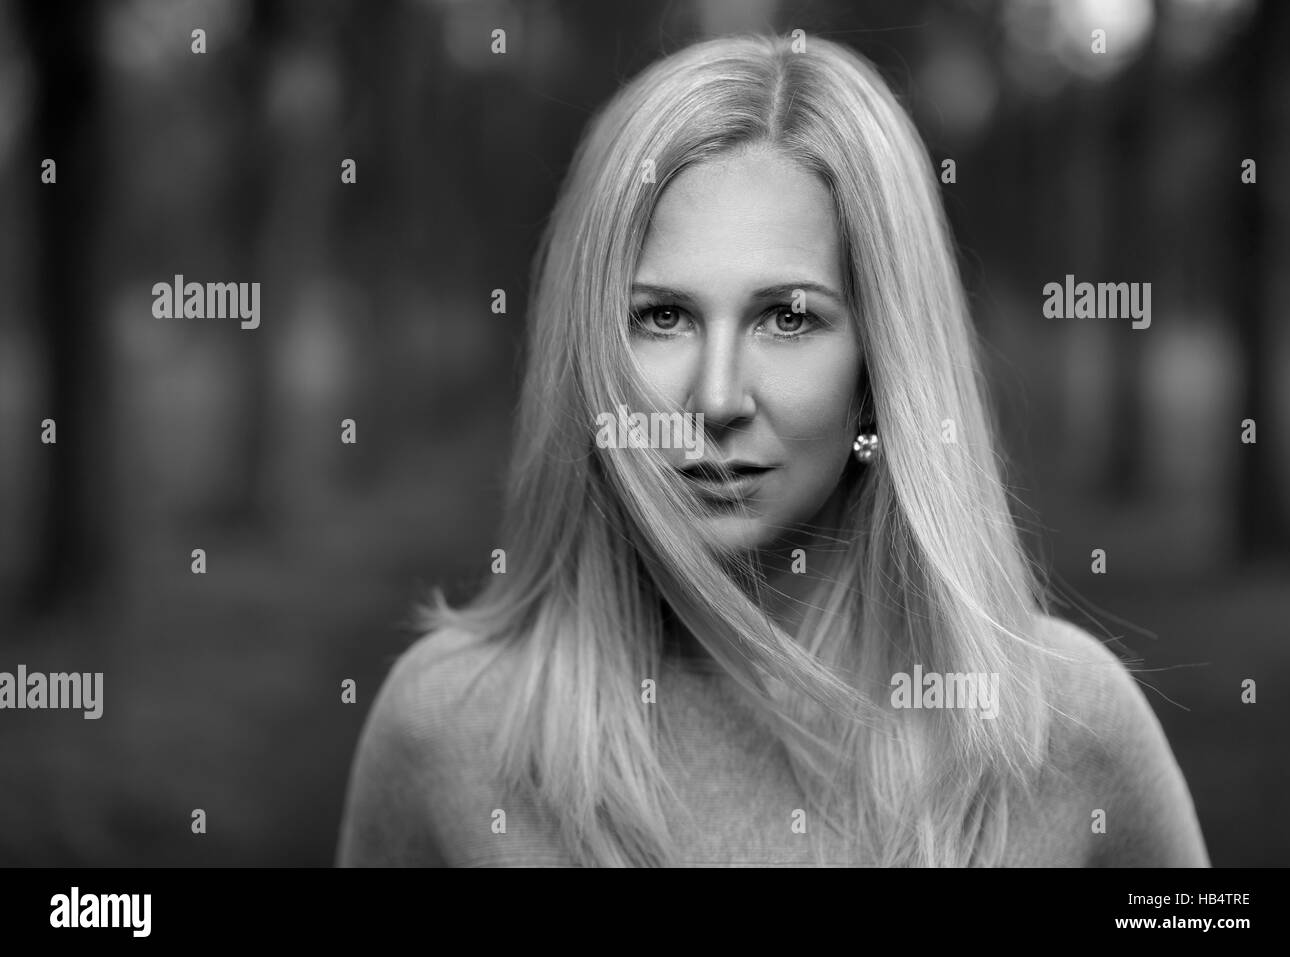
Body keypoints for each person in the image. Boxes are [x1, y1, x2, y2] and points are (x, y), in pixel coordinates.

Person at [335, 31, 1209, 867]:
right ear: (591, 359)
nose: (716, 398)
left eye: (787, 317)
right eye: (662, 316)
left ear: (881, 367)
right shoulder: (445, 726)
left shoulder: (1064, 723)